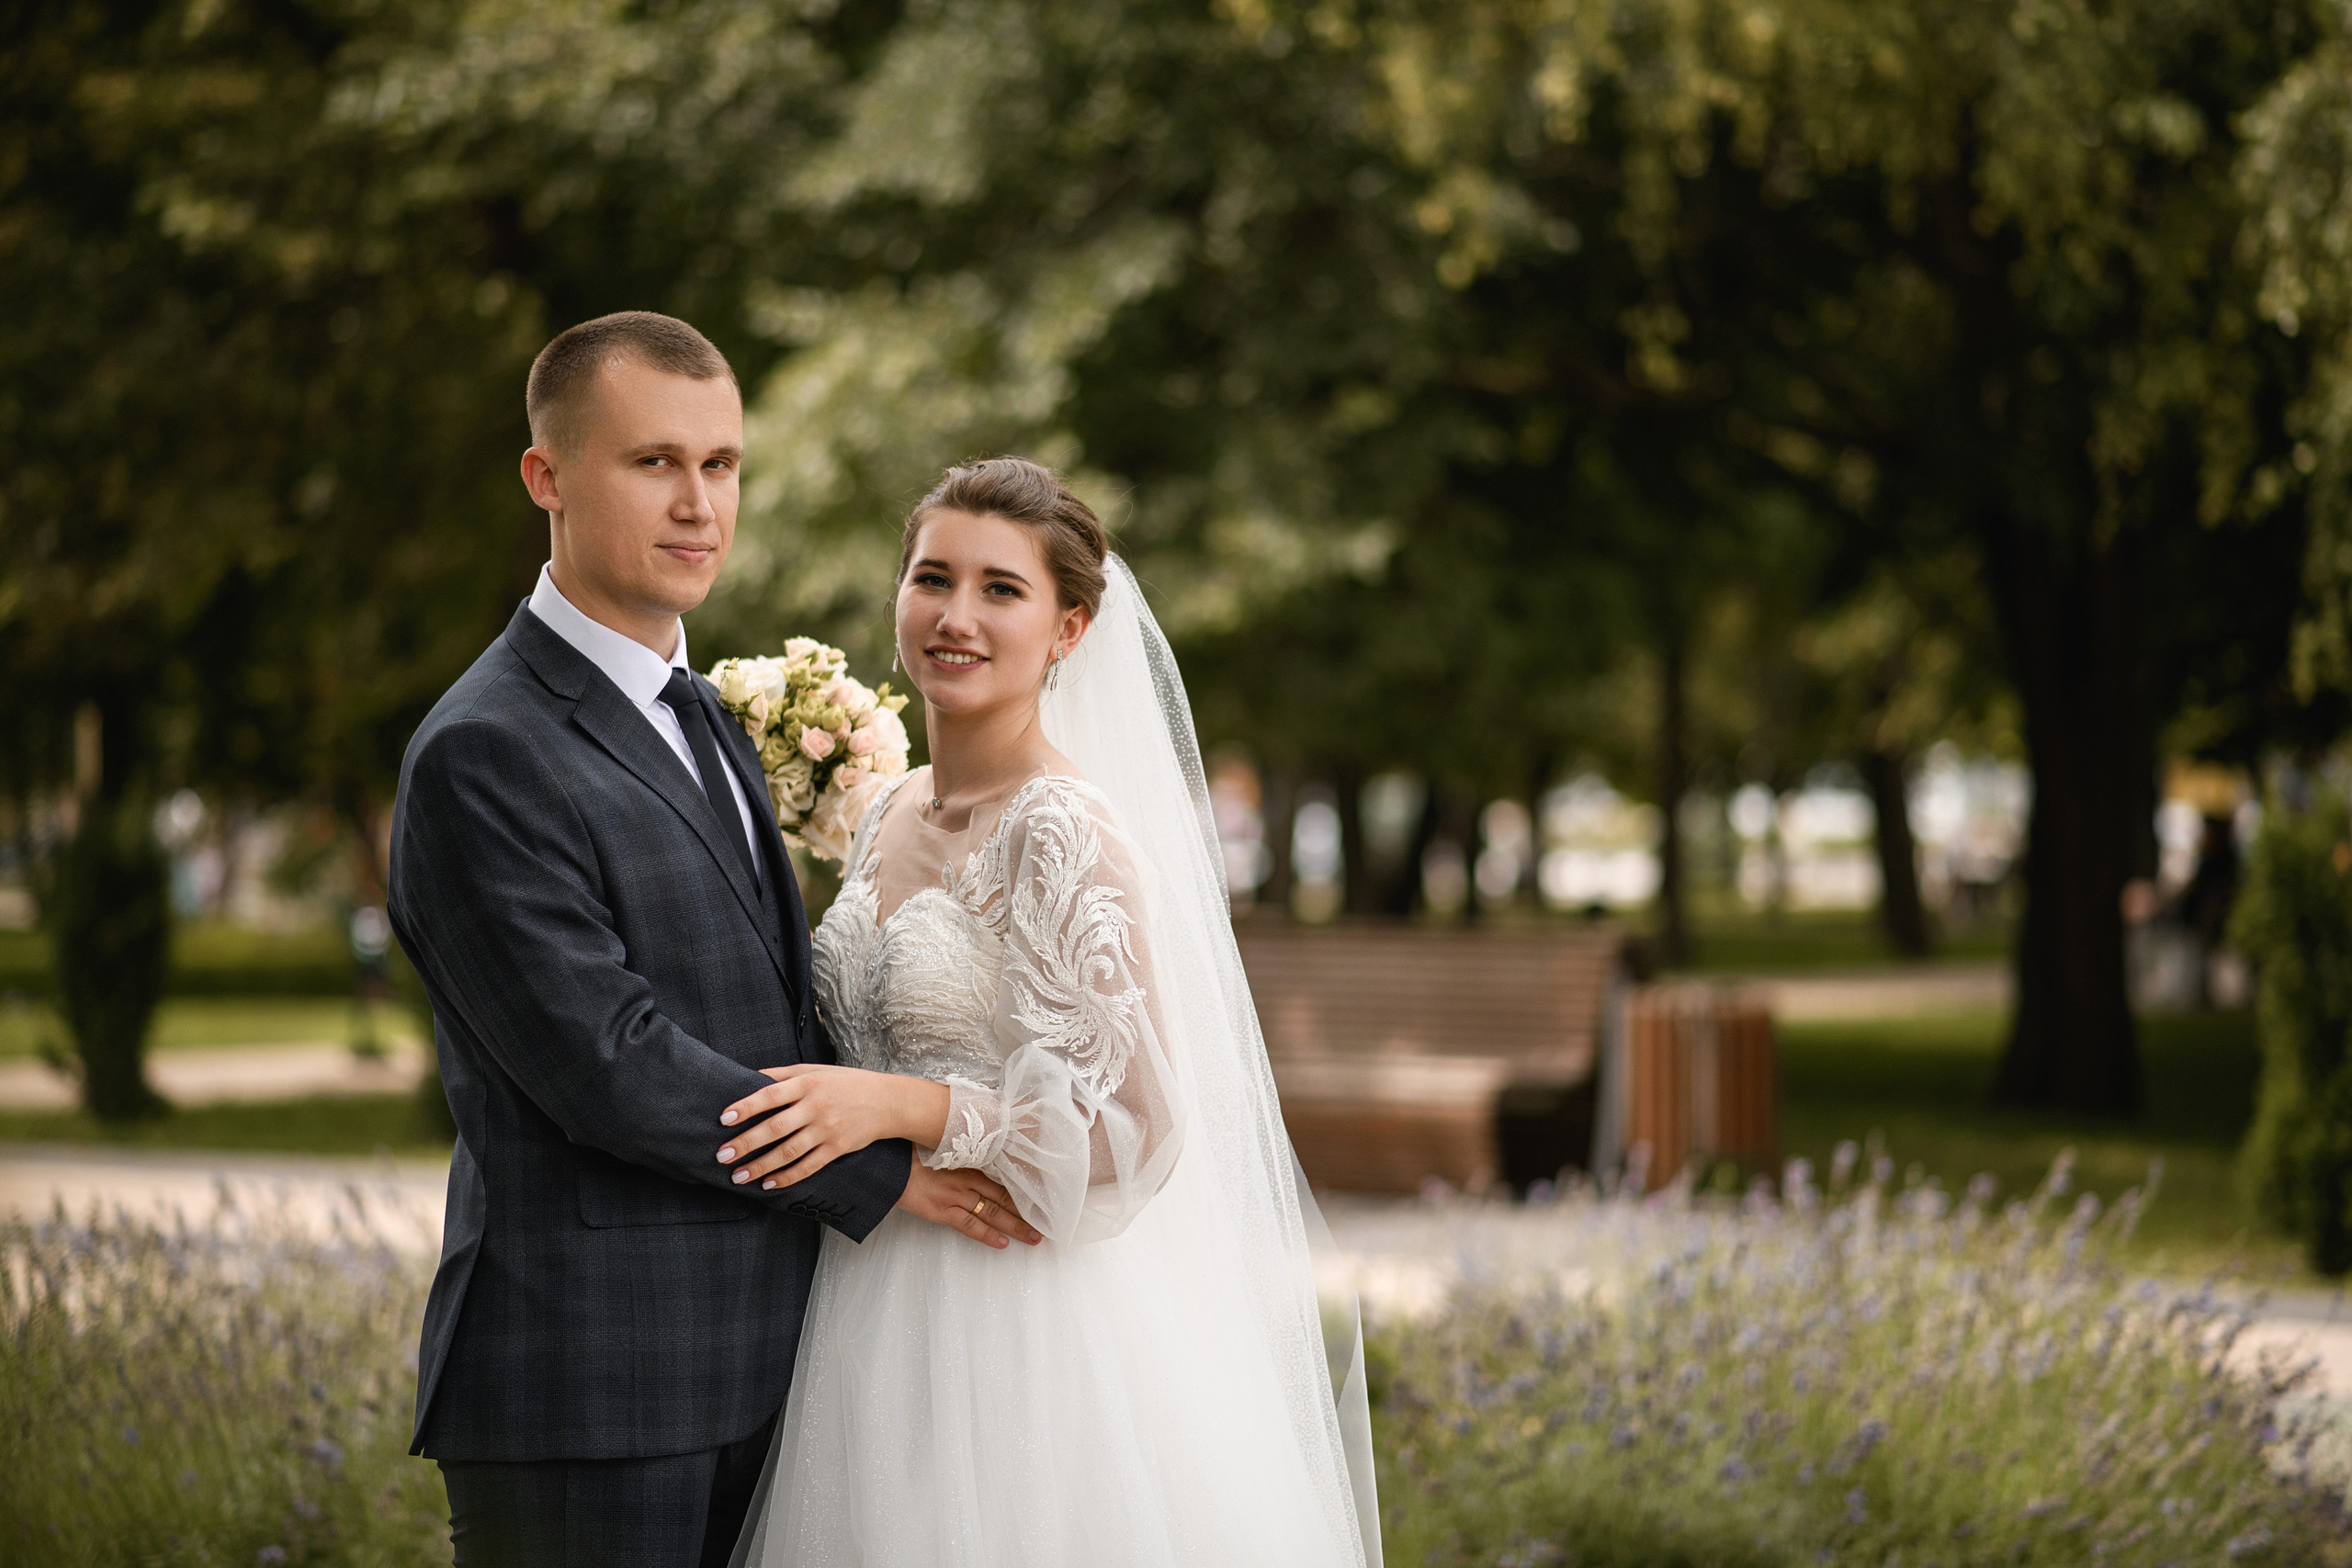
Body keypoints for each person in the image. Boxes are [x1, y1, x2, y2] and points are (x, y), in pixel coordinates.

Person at [386, 312, 1036, 1568]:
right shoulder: (487, 749)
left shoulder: (703, 711)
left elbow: (770, 1006)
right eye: (654, 463)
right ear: (548, 477)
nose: (699, 504)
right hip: (595, 1383)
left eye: (723, 464)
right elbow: (612, 1061)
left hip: (767, 1361)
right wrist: (886, 1170)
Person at [713, 458, 1380, 1566]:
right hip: (858, 1297)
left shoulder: (1064, 827)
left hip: (1018, 1326)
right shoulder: (881, 810)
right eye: (933, 578)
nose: (955, 615)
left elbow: (1139, 1128)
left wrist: (906, 1106)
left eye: (1001, 590)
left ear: (1069, 631)